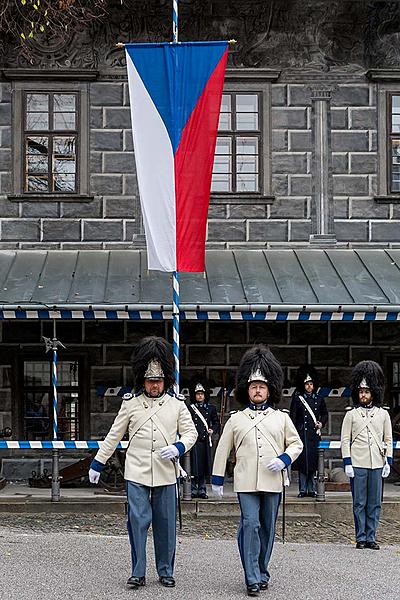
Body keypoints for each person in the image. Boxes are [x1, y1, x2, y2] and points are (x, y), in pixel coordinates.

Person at [88, 337, 197, 588]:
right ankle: (138, 571)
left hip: (166, 472)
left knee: (166, 525)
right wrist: (98, 462)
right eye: (150, 381)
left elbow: (191, 433)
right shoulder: (130, 404)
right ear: (143, 381)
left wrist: (178, 446)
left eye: (158, 381)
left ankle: (166, 570)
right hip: (136, 471)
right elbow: (114, 435)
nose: (155, 385)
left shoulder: (177, 405)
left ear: (165, 381)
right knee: (137, 522)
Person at [211, 345, 303, 597]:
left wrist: (284, 459)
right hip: (246, 481)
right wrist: (217, 479)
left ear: (269, 389)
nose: (258, 390)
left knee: (267, 527)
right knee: (250, 524)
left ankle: (262, 570)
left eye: (262, 386)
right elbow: (222, 449)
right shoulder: (236, 418)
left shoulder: (281, 417)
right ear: (247, 390)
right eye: (254, 387)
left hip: (272, 480)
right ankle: (251, 575)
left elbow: (297, 444)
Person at [341, 360, 393, 550]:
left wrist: (388, 461)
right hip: (358, 462)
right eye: (361, 391)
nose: (364, 395)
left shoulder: (383, 414)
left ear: (373, 393)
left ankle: (371, 536)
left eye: (367, 391)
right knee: (359, 503)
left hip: (377, 463)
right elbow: (345, 440)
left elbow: (388, 439)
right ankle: (360, 537)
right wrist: (347, 462)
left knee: (374, 503)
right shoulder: (351, 415)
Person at [290, 365, 328, 497]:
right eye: (307, 384)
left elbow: (324, 414)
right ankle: (302, 489)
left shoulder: (319, 399)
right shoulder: (298, 399)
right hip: (301, 434)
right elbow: (293, 416)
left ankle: (311, 489)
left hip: (313, 434)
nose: (309, 386)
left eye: (311, 384)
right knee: (302, 463)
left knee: (312, 462)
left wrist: (321, 423)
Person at [188, 380, 220, 499]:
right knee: (193, 466)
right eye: (197, 394)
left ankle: (202, 489)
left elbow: (216, 422)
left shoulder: (210, 408)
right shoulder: (190, 409)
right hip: (193, 441)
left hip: (205, 441)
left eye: (202, 393)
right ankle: (193, 489)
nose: (200, 396)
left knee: (203, 466)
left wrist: (212, 429)